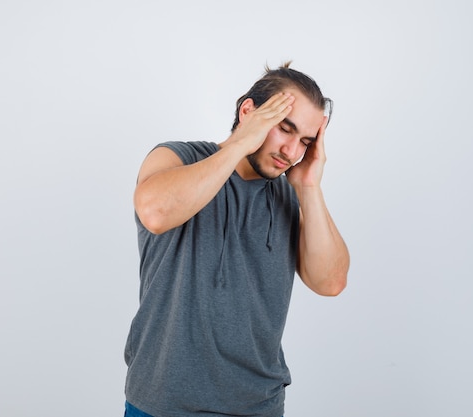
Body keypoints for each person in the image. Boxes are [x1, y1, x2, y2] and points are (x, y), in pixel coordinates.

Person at [124, 62, 350, 417]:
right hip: (162, 403)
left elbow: (331, 282)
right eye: (283, 129)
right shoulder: (178, 157)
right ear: (249, 111)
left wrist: (309, 186)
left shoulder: (292, 192)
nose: (291, 152)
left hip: (258, 406)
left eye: (304, 141)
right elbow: (155, 213)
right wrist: (242, 142)